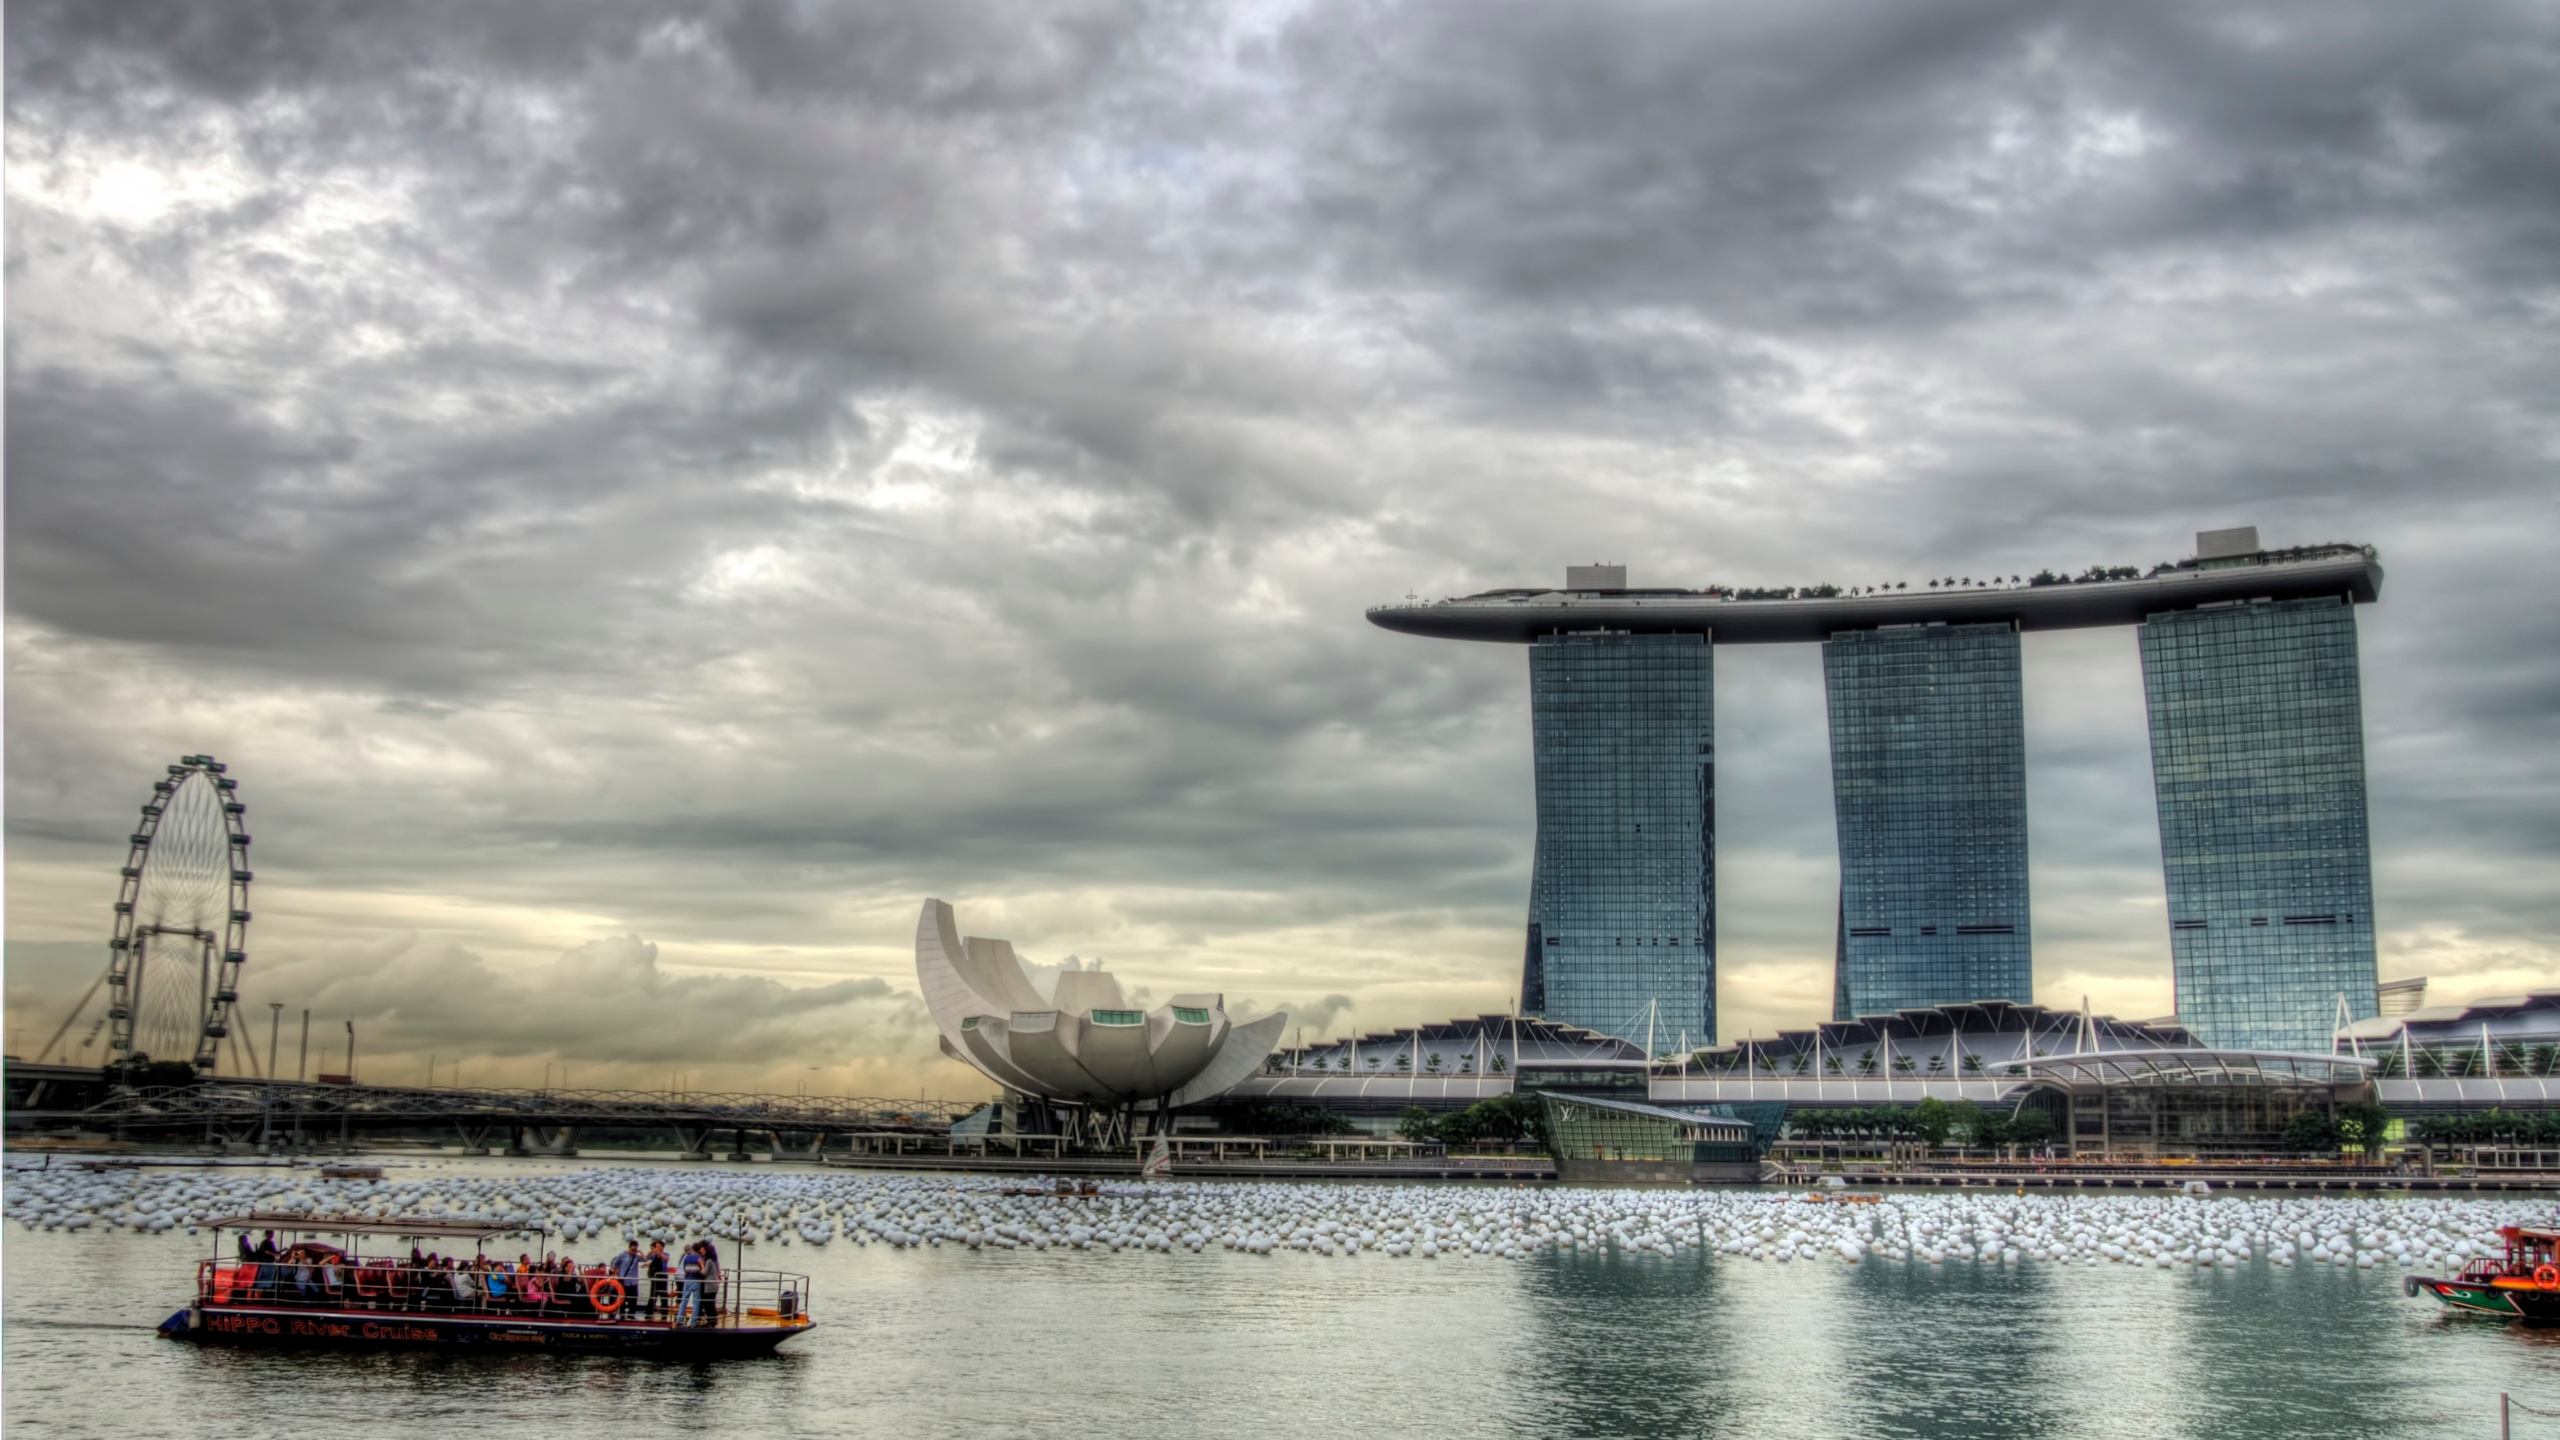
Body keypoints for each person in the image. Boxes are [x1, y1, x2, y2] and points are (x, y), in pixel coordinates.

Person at [676, 1242, 704, 1327]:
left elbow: (684, 1270)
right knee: (696, 1302)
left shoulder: (686, 1258)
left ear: (692, 1249)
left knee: (684, 1300)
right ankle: (693, 1322)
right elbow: (702, 1271)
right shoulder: (700, 1258)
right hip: (696, 1281)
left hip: (687, 1281)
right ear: (699, 1249)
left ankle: (679, 1320)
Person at [697, 1240, 723, 1327]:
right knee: (711, 1303)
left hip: (710, 1285)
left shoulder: (709, 1261)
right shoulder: (715, 1261)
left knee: (708, 1304)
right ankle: (713, 1321)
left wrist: (701, 1265)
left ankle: (711, 1322)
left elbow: (704, 1273)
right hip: (715, 1284)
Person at [646, 1240, 670, 1319]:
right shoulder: (654, 1255)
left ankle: (664, 1314)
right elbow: (646, 1258)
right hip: (655, 1277)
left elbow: (666, 1259)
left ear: (663, 1247)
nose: (658, 1248)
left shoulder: (666, 1254)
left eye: (659, 1246)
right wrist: (651, 1252)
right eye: (657, 1246)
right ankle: (649, 1313)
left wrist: (660, 1254)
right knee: (653, 1295)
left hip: (663, 1277)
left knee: (663, 1295)